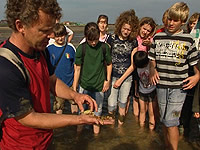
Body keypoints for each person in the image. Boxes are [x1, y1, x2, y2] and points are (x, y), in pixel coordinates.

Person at [0, 0, 113, 149]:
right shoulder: (6, 66)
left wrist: (75, 96)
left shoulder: (40, 50)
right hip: (20, 144)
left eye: (52, 29)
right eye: (44, 31)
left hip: (45, 138)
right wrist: (79, 119)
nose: (52, 36)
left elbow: (52, 81)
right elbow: (28, 117)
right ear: (20, 26)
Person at [149, 2, 200, 150]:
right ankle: (167, 146)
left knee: (172, 121)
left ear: (183, 22)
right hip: (161, 84)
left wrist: (197, 76)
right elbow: (152, 59)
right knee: (165, 121)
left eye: (175, 20)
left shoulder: (188, 40)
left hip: (179, 87)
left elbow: (195, 65)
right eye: (169, 19)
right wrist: (153, 70)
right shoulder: (158, 37)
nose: (171, 23)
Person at [73, 22, 112, 134]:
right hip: (84, 85)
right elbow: (77, 69)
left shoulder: (104, 47)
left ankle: (96, 138)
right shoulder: (81, 48)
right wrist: (74, 87)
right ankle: (78, 137)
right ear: (86, 37)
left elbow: (109, 64)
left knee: (97, 113)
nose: (94, 42)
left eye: (95, 39)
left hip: (99, 86)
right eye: (91, 40)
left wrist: (107, 81)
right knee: (81, 114)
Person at [107, 9, 139, 125]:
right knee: (111, 105)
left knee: (122, 104)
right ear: (120, 26)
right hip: (112, 76)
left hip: (126, 78)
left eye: (129, 29)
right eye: (124, 28)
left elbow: (133, 64)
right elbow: (106, 59)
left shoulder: (133, 42)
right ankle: (110, 128)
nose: (126, 31)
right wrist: (108, 78)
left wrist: (120, 80)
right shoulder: (111, 38)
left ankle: (120, 128)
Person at [126, 17, 156, 116]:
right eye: (144, 29)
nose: (145, 32)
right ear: (140, 27)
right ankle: (135, 117)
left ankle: (144, 116)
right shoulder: (135, 38)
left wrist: (150, 45)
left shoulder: (151, 40)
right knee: (135, 95)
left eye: (148, 31)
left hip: (145, 69)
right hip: (134, 69)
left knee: (145, 94)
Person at [47, 23, 77, 114]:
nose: (60, 38)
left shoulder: (70, 48)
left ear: (65, 35)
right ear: (54, 36)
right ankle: (59, 128)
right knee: (58, 108)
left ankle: (77, 127)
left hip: (71, 83)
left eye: (62, 35)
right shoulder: (49, 49)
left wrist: (75, 85)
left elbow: (76, 67)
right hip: (57, 85)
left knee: (75, 107)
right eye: (57, 36)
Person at [133, 51, 157, 130]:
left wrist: (136, 89)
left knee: (147, 112)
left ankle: (142, 129)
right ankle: (148, 130)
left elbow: (136, 79)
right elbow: (136, 79)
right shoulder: (147, 65)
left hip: (150, 91)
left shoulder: (150, 65)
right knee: (149, 113)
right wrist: (136, 90)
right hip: (143, 91)